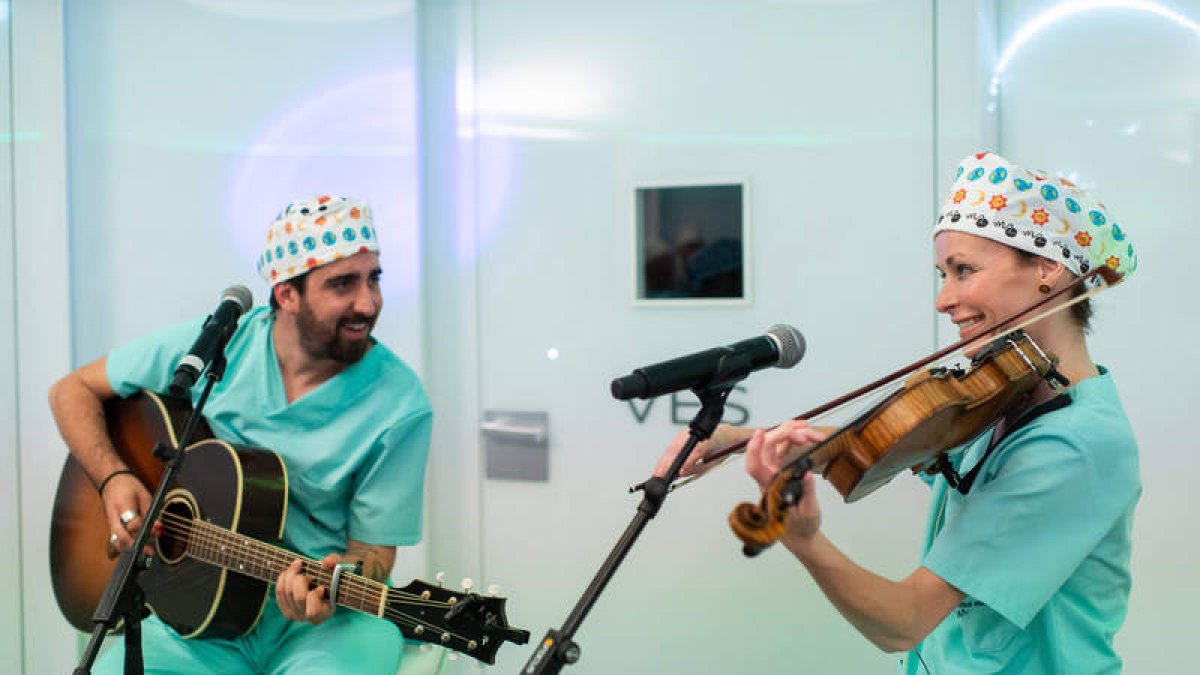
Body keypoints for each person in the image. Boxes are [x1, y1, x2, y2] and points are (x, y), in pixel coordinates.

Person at [658, 151, 1140, 673]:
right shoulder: (1012, 394)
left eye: (964, 271)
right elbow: (890, 440)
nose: (944, 299)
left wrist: (805, 542)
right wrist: (738, 438)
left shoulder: (1071, 445)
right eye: (942, 274)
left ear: (1047, 268)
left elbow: (905, 621)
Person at [49, 195, 434, 674]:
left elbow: (375, 552)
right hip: (197, 614)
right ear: (285, 295)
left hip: (321, 626)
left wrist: (339, 582)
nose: (368, 302)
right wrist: (112, 478)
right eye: (343, 284)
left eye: (374, 278)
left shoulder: (400, 402)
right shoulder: (219, 348)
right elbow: (72, 391)